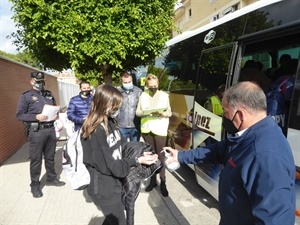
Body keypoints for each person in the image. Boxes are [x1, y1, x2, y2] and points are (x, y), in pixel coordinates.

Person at [164, 81, 296, 225]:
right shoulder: (250, 135)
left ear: (240, 114)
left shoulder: (265, 155)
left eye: (226, 112)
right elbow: (218, 150)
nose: (224, 117)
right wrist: (180, 156)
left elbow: (275, 219)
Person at [81, 84, 158, 225]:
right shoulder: (95, 131)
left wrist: (144, 152)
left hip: (115, 184)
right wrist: (137, 160)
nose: (117, 109)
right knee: (120, 221)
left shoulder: (110, 122)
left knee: (112, 220)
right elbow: (112, 166)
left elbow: (124, 145)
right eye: (115, 106)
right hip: (104, 190)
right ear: (103, 103)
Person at [16, 72, 66, 198]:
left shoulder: (49, 94)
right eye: (38, 81)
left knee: (50, 157)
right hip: (36, 131)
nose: (40, 83)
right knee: (36, 159)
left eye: (42, 81)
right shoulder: (26, 96)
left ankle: (51, 178)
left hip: (50, 130)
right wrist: (35, 117)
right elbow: (19, 115)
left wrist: (56, 116)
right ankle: (35, 185)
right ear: (32, 81)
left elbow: (55, 109)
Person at [136, 73, 172, 197]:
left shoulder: (164, 95)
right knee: (151, 157)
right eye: (150, 86)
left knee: (161, 156)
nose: (153, 88)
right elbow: (138, 112)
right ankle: (152, 180)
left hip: (160, 130)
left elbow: (169, 112)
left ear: (158, 84)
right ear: (146, 85)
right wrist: (145, 113)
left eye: (155, 85)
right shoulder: (143, 95)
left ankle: (163, 182)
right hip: (147, 130)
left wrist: (163, 114)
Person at [116, 71, 142, 141]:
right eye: (125, 82)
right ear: (121, 81)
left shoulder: (139, 91)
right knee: (122, 148)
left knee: (135, 148)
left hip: (135, 125)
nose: (127, 84)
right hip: (121, 125)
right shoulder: (117, 92)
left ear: (132, 80)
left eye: (129, 82)